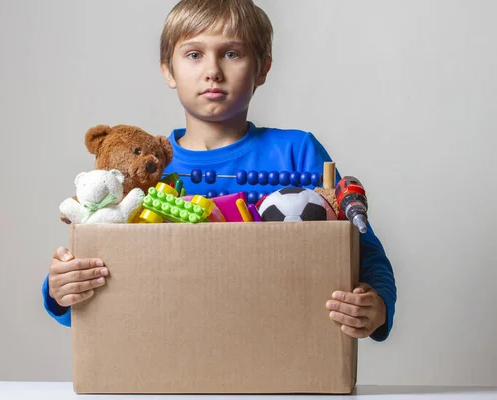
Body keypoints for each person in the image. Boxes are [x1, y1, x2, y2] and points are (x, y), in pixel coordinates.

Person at [42, 0, 396, 342]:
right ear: (168, 69)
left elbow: (363, 247)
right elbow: (110, 270)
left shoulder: (296, 152)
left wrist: (375, 302)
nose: (212, 70)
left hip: (279, 342)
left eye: (232, 53)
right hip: (175, 346)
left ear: (263, 68)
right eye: (194, 54)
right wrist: (60, 288)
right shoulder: (142, 170)